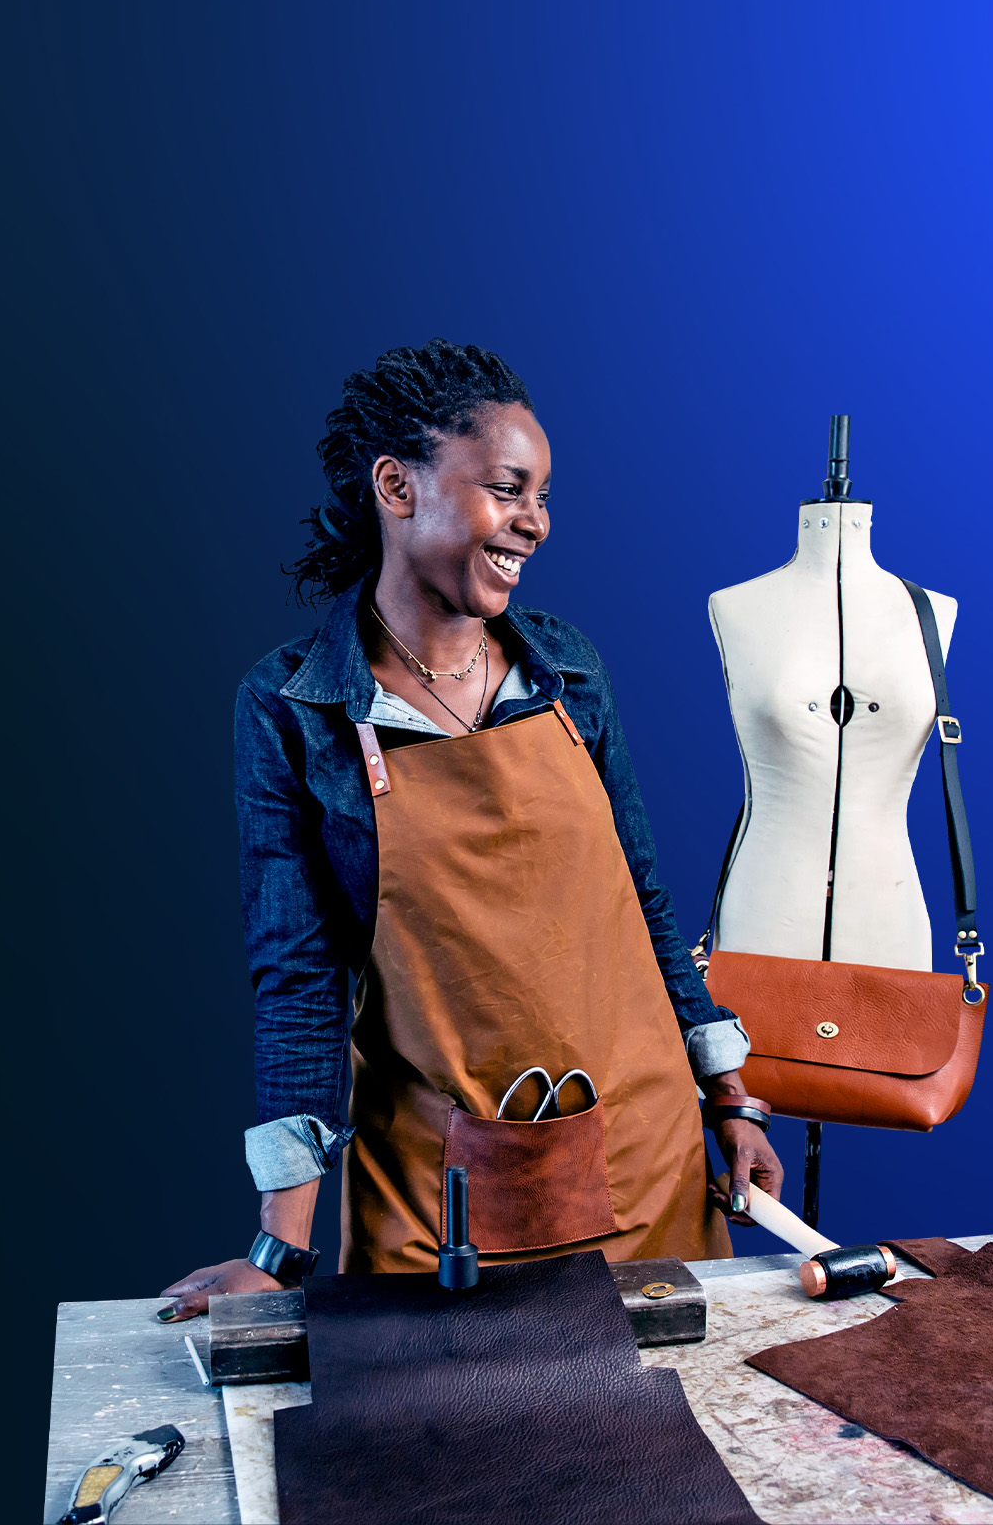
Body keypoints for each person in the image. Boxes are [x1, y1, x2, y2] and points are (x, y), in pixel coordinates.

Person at [159, 339, 782, 1319]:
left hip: (642, 1156)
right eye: (507, 489)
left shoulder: (567, 671)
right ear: (397, 487)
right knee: (450, 1453)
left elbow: (643, 895)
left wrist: (729, 1095)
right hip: (436, 1193)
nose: (534, 524)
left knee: (663, 1452)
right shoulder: (293, 707)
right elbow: (298, 979)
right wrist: (278, 1249)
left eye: (541, 497)